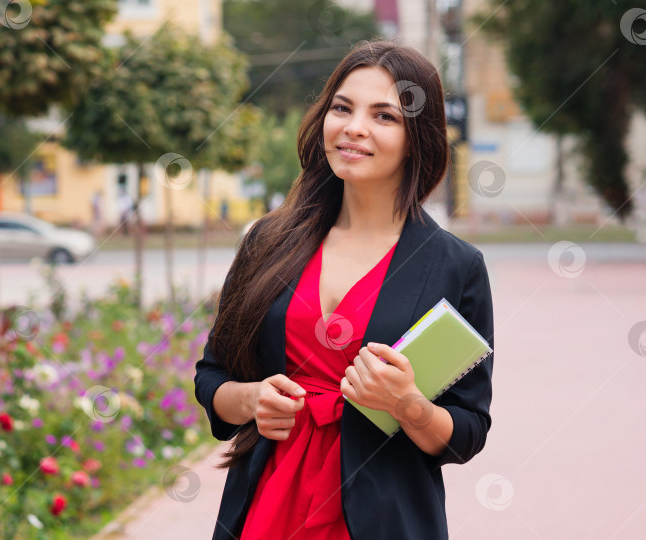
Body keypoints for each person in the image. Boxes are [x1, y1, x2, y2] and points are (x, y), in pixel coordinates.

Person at [194, 38, 494, 540]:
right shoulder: (268, 241)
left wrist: (406, 404)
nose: (354, 127)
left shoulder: (456, 266)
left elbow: (467, 433)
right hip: (267, 509)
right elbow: (212, 377)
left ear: (415, 137)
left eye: (384, 116)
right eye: (342, 108)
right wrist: (252, 400)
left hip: (385, 518)